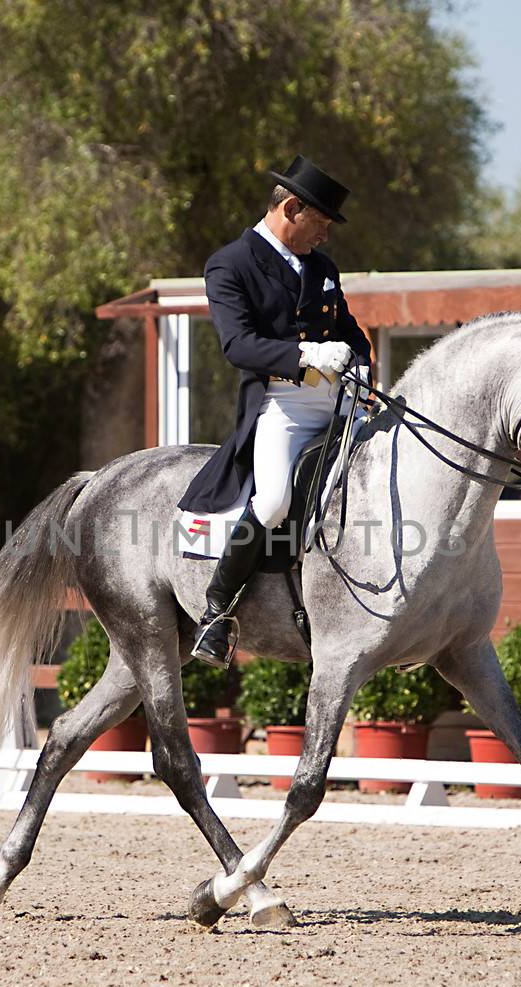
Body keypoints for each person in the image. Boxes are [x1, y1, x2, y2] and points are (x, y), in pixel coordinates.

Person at [178, 155, 372, 668]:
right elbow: (238, 344)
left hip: (338, 401)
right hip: (281, 404)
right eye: (321, 224)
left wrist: (364, 365)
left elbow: (349, 330)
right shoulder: (231, 263)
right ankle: (217, 613)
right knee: (274, 502)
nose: (325, 237)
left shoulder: (321, 268)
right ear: (291, 208)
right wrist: (305, 355)